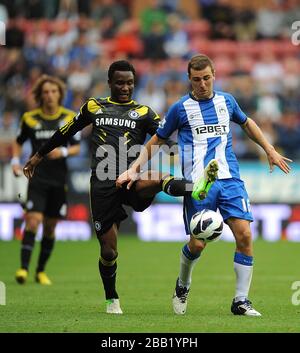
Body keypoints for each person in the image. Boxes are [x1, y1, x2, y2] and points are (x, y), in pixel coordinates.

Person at [21, 60, 216, 314]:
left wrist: (190, 151)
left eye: (130, 83)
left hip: (131, 178)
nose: (126, 87)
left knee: (158, 177)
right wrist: (38, 156)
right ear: (110, 83)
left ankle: (197, 187)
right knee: (109, 251)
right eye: (121, 83)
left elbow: (166, 139)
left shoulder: (144, 113)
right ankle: (111, 297)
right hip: (102, 185)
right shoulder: (94, 107)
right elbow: (64, 132)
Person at [116, 54, 292, 317]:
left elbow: (247, 123)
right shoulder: (180, 109)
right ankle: (182, 285)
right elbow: (157, 140)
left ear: (214, 75)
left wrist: (269, 149)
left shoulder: (227, 101)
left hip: (230, 179)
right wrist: (134, 168)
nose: (202, 84)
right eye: (197, 79)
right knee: (197, 245)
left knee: (244, 235)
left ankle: (241, 301)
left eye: (206, 78)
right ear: (189, 79)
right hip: (198, 185)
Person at [12, 75, 81, 285]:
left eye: (53, 91)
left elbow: (76, 147)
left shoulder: (69, 117)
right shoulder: (30, 118)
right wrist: (15, 160)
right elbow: (18, 141)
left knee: (50, 227)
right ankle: (23, 269)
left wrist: (62, 152)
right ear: (39, 96)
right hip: (38, 179)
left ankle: (40, 271)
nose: (50, 96)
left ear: (60, 94)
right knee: (33, 221)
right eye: (45, 92)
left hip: (59, 180)